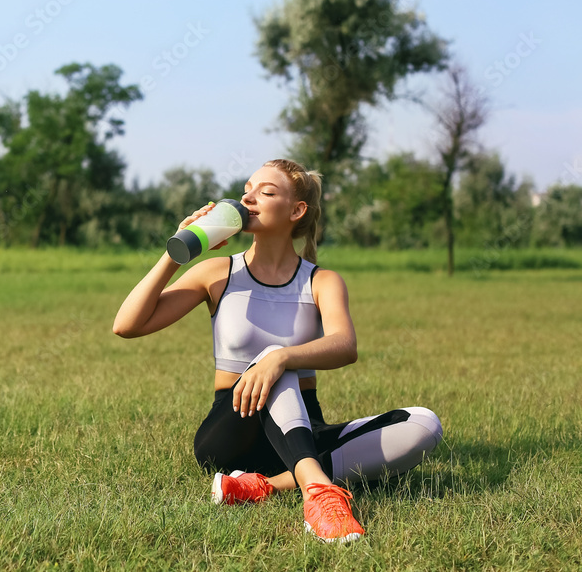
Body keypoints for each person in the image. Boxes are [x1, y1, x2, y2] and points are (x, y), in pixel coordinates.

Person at [112, 158, 442, 544]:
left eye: (266, 193)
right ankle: (319, 493)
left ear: (296, 210)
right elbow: (127, 325)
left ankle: (265, 487)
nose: (248, 198)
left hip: (302, 428)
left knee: (423, 424)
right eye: (247, 190)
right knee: (273, 358)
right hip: (233, 429)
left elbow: (345, 346)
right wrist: (177, 250)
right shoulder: (218, 272)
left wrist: (283, 357)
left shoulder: (322, 281)